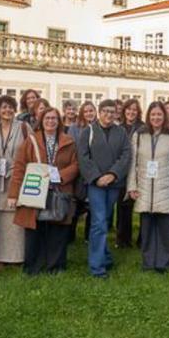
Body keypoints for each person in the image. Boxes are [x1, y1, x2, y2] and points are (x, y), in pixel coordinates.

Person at [9, 107, 79, 275]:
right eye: (47, 118)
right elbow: (19, 167)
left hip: (59, 190)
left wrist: (59, 175)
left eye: (54, 118)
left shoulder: (68, 141)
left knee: (58, 229)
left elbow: (76, 165)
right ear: (41, 120)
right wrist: (13, 194)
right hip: (34, 189)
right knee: (34, 230)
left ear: (59, 121)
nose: (50, 121)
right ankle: (33, 267)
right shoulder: (31, 141)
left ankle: (55, 267)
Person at [127, 101, 169, 273]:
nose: (156, 118)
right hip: (144, 187)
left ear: (165, 116)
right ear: (148, 116)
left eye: (159, 114)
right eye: (153, 114)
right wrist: (132, 186)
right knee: (146, 228)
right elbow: (132, 162)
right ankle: (148, 262)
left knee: (164, 230)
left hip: (167, 186)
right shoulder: (139, 135)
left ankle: (163, 262)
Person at [77, 99, 131, 279]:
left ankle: (105, 256)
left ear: (116, 113)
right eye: (105, 111)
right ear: (99, 112)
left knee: (104, 221)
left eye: (112, 111)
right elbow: (83, 157)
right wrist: (97, 177)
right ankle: (97, 267)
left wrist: (113, 174)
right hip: (96, 185)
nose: (108, 114)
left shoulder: (121, 132)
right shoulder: (88, 131)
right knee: (99, 223)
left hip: (114, 184)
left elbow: (126, 155)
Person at [0, 95, 28, 268]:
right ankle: (1, 257)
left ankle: (18, 257)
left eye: (11, 107)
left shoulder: (24, 127)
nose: (7, 110)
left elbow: (31, 150)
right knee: (1, 216)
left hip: (18, 175)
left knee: (16, 216)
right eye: (4, 107)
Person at [67, 101, 96, 243]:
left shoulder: (99, 128)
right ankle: (70, 235)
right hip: (78, 171)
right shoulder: (74, 128)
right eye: (86, 111)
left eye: (91, 110)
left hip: (94, 171)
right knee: (75, 205)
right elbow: (71, 148)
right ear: (82, 113)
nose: (89, 113)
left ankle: (88, 237)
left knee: (92, 206)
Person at [117, 98, 144, 248]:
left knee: (141, 205)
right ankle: (123, 239)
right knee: (123, 207)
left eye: (134, 110)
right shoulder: (118, 128)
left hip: (140, 170)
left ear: (138, 112)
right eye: (129, 109)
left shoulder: (143, 128)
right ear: (124, 110)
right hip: (123, 172)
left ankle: (142, 239)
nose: (131, 112)